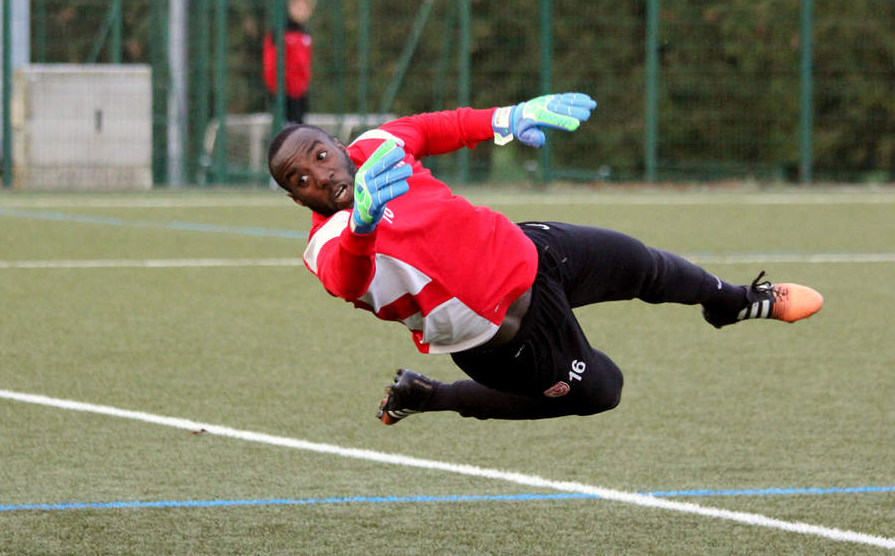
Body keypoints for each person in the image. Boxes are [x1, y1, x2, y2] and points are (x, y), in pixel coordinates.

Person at [267, 94, 823, 424]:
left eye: (321, 156)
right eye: (302, 179)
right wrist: (362, 224)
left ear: (339, 146)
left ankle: (731, 302)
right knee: (604, 390)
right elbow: (347, 277)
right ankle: (433, 396)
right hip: (506, 338)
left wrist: (507, 117)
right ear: (297, 200)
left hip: (531, 252)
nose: (322, 175)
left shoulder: (375, 146)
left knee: (639, 262)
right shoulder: (328, 244)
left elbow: (436, 127)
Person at [262, 0, 316, 124]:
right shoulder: (279, 32)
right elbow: (270, 63)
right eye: (298, 7)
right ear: (290, 8)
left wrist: (303, 86)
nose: (301, 12)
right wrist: (276, 89)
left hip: (300, 95)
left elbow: (305, 64)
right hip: (282, 94)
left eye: (305, 8)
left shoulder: (306, 35)